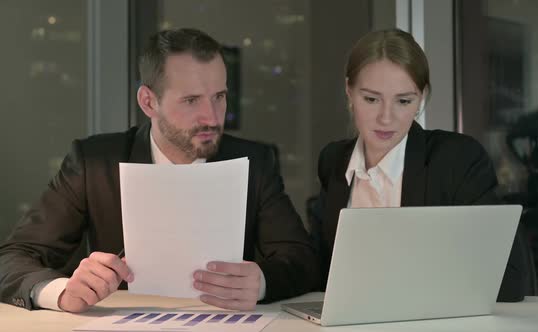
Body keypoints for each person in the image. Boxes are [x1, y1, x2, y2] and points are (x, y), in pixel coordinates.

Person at [0, 28, 319, 312]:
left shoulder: (256, 161)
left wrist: (262, 281)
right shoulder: (93, 161)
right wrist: (62, 291)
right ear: (148, 102)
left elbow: (303, 262)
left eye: (219, 96)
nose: (211, 116)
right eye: (192, 100)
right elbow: (12, 259)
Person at [311, 29, 530, 302]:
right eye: (371, 99)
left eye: (403, 101)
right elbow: (319, 271)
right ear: (349, 91)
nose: (386, 118)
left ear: (421, 98)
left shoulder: (455, 160)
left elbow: (509, 280)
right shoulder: (333, 161)